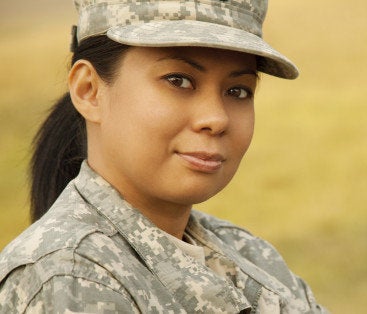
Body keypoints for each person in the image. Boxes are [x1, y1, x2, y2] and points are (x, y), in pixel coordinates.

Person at [0, 0, 327, 313]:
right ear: (90, 91)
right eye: (178, 80)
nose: (216, 119)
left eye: (238, 91)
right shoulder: (70, 279)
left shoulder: (248, 254)